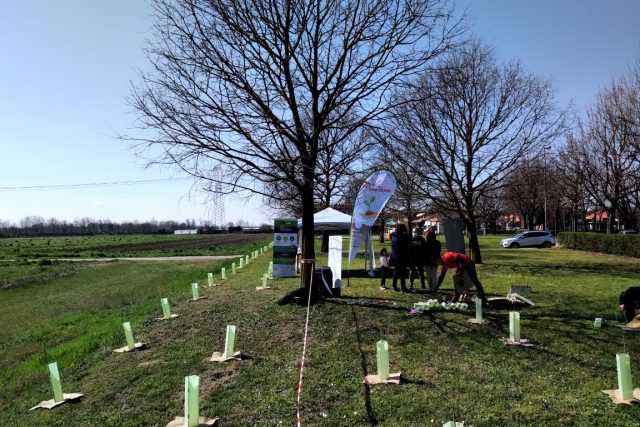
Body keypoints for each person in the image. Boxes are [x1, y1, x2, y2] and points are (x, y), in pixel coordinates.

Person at [390, 223, 410, 292]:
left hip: (395, 256)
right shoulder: (404, 236)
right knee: (402, 272)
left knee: (396, 271)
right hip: (402, 256)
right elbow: (408, 245)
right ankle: (403, 287)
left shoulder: (393, 236)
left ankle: (394, 286)